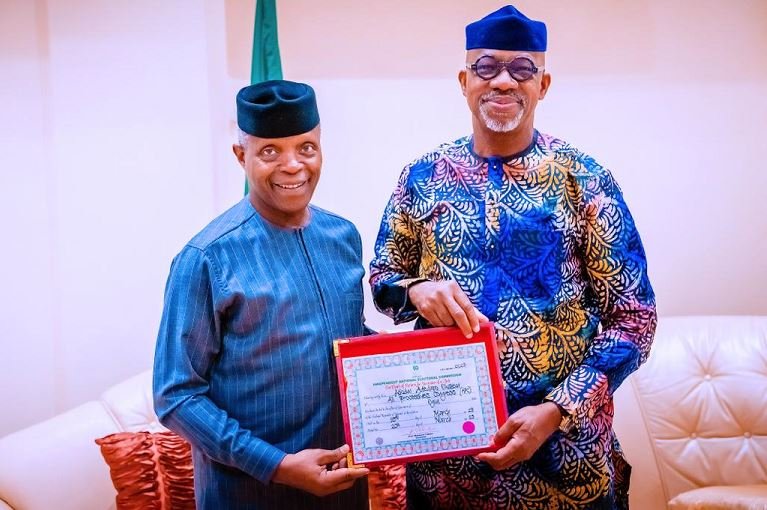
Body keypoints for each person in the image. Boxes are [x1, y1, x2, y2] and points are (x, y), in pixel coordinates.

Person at [370, 5, 657, 509]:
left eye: (522, 69)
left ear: (542, 85)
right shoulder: (421, 177)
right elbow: (382, 282)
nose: (503, 81)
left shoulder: (585, 181)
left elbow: (635, 319)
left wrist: (557, 409)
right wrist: (414, 289)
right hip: (446, 468)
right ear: (464, 80)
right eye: (487, 66)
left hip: (564, 466)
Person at [153, 80, 370, 509]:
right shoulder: (206, 258)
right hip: (248, 494)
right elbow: (175, 395)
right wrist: (277, 465)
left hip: (343, 492)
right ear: (242, 156)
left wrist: (435, 359)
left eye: (306, 147)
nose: (293, 165)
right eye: (270, 151)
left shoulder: (343, 237)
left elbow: (345, 340)